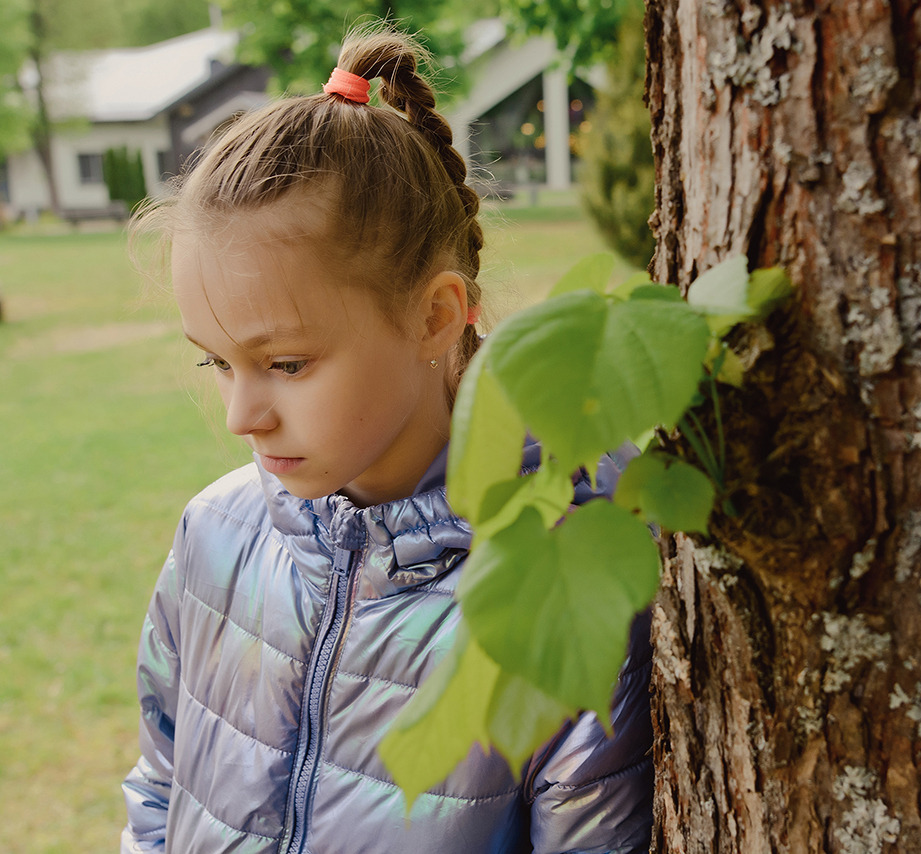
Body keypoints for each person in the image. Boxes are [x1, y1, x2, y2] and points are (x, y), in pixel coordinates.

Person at [120, 25, 653, 854]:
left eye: (286, 363)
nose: (241, 416)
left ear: (435, 316)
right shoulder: (213, 538)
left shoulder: (569, 590)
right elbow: (158, 792)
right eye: (219, 363)